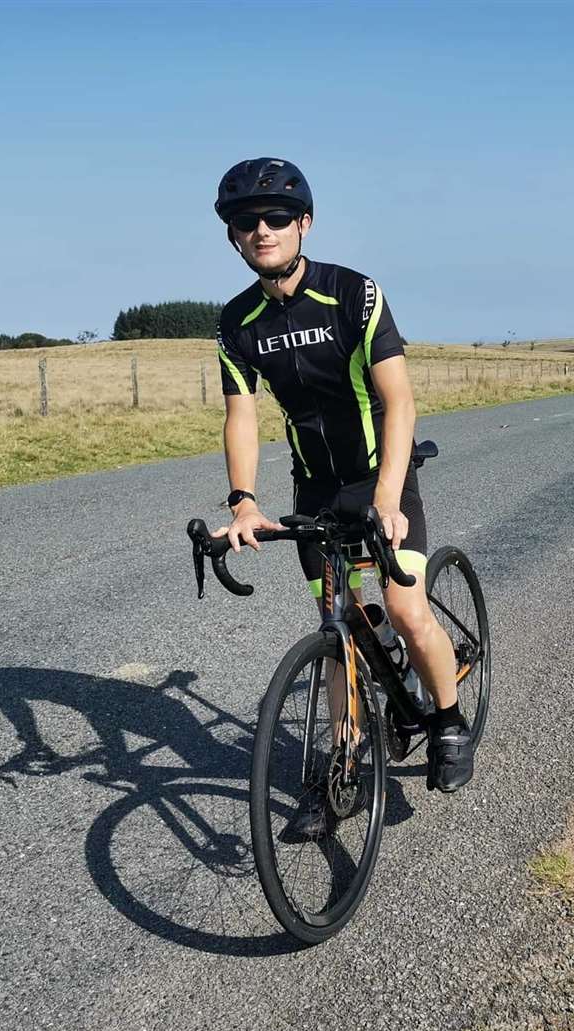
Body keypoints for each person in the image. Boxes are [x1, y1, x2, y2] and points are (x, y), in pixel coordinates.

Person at [210, 157, 473, 793]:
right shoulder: (236, 323)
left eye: (276, 218)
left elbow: (400, 400)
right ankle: (342, 770)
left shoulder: (355, 293)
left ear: (305, 223)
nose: (263, 231)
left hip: (383, 475)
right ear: (233, 236)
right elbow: (240, 416)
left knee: (407, 608)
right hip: (317, 491)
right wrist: (244, 502)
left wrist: (388, 495)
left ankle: (448, 721)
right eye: (247, 223)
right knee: (341, 620)